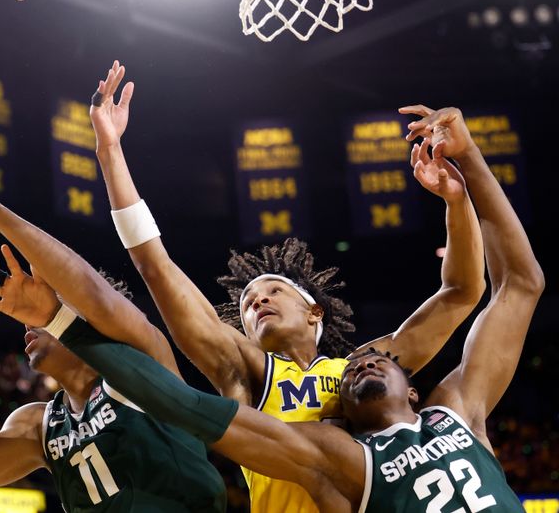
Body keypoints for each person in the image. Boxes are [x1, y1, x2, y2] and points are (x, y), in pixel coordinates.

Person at [46, 105, 544, 512]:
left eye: (272, 291)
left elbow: (462, 292)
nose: (256, 300)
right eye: (245, 304)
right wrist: (111, 154)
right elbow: (157, 268)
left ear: (314, 312)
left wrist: (456, 204)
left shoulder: (366, 367)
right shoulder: (244, 371)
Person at [0, 156, 234, 511]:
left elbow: (91, 290)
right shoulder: (39, 423)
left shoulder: (142, 362)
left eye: (48, 316)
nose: (31, 326)